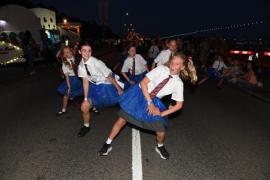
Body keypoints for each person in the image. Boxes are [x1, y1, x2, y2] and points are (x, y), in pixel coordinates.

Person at [98, 53, 197, 160]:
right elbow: (144, 83)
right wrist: (150, 103)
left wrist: (161, 113)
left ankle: (160, 146)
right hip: (139, 93)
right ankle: (107, 143)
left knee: (161, 130)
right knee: (121, 120)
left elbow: (179, 105)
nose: (173, 66)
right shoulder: (161, 69)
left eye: (177, 64)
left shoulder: (178, 83)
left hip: (154, 101)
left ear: (182, 67)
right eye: (172, 63)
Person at [77, 42, 123, 137]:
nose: (87, 53)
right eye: (84, 50)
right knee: (84, 107)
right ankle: (86, 126)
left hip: (107, 83)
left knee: (123, 100)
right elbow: (85, 81)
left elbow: (110, 77)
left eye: (89, 51)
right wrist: (85, 99)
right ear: (79, 52)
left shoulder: (97, 63)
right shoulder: (81, 66)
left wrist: (119, 89)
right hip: (94, 85)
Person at [57, 46, 83, 115]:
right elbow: (67, 77)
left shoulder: (76, 58)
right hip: (71, 79)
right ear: (64, 55)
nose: (68, 53)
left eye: (69, 51)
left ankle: (93, 106)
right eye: (66, 53)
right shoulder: (64, 64)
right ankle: (63, 109)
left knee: (86, 91)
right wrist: (69, 87)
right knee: (66, 94)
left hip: (79, 78)